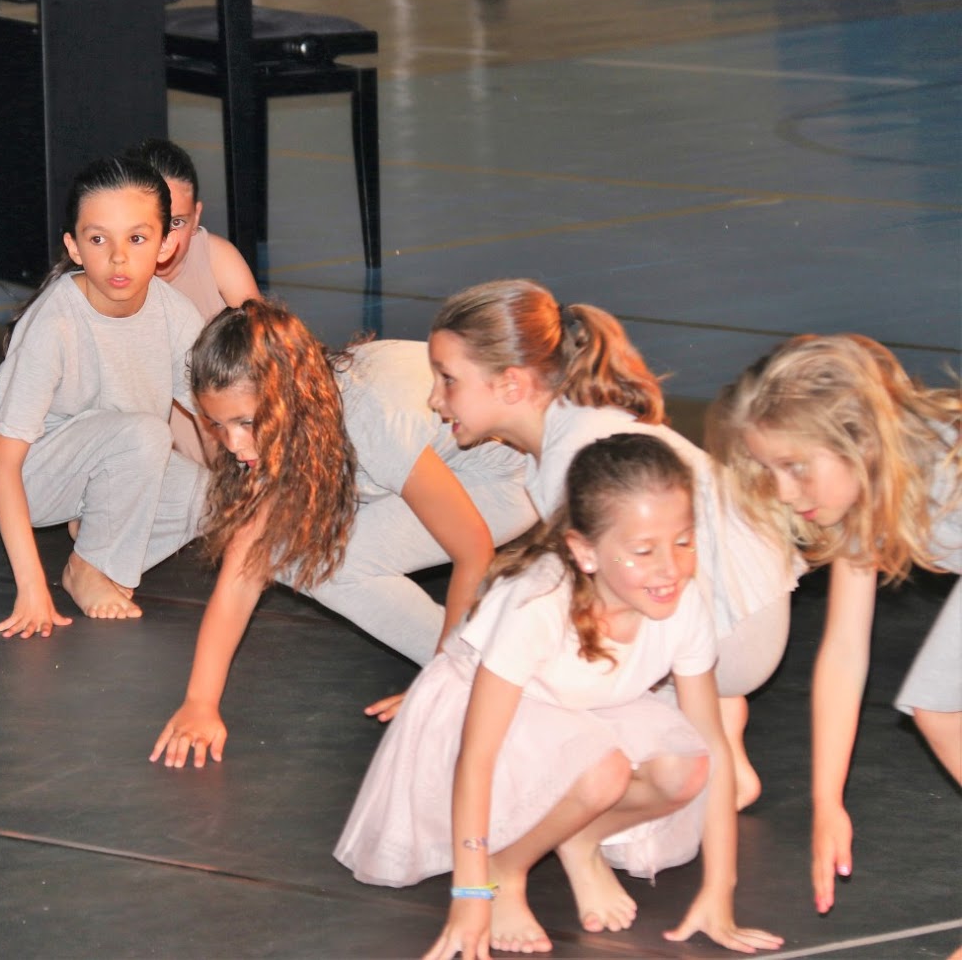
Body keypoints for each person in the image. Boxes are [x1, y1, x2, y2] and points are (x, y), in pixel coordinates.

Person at [336, 434, 783, 958]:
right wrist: (471, 893)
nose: (670, 568)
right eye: (643, 551)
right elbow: (477, 758)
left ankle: (581, 838)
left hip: (585, 707)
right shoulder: (538, 602)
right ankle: (506, 867)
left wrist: (719, 893)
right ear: (585, 552)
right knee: (602, 771)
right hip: (484, 717)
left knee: (686, 768)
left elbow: (713, 743)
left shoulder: (678, 601)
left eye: (684, 541)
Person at [421, 278, 797, 809]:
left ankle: (671, 748)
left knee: (531, 663)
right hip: (746, 623)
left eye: (447, 379)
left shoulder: (576, 456)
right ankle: (722, 756)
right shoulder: (578, 428)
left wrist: (456, 688)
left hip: (724, 635)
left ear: (510, 384)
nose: (434, 398)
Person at [150, 301, 536, 768]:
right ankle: (482, 659)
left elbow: (471, 548)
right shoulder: (301, 403)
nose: (233, 444)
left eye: (246, 422)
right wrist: (199, 702)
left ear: (287, 394)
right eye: (218, 424)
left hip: (509, 480)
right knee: (288, 551)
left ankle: (480, 670)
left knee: (325, 565)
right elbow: (245, 561)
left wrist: (444, 681)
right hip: (442, 464)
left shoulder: (368, 416)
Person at [707, 333, 961, 915]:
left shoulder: (943, 468)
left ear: (859, 439)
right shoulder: (866, 491)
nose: (784, 491)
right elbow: (844, 651)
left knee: (939, 707)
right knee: (939, 708)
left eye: (795, 467)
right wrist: (827, 804)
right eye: (770, 470)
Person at [0, 155, 209, 637]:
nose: (118, 258)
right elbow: (4, 465)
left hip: (123, 462)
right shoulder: (54, 323)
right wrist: (31, 587)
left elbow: (216, 417)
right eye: (98, 239)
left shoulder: (176, 315)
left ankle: (95, 547)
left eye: (137, 239)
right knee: (147, 434)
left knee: (218, 501)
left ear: (166, 244)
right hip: (38, 477)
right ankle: (89, 567)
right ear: (74, 247)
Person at [124, 139, 261, 464]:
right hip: (152, 467)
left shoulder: (217, 258)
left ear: (197, 214)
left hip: (235, 458)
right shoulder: (113, 279)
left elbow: (269, 358)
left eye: (177, 222)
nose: (166, 240)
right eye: (152, 223)